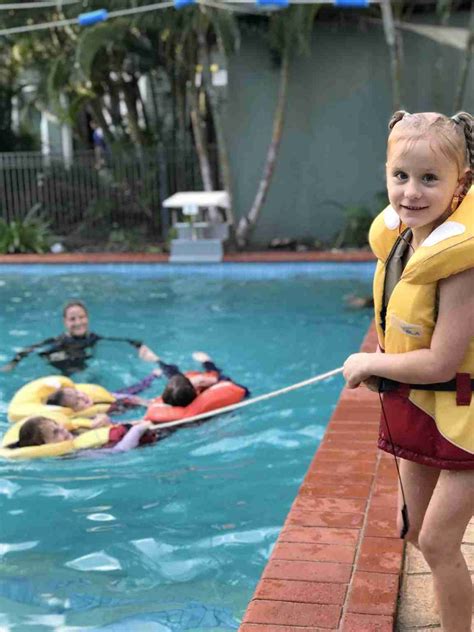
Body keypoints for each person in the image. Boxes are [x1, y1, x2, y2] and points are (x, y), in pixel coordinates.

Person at [343, 111, 473, 632]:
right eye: (401, 176)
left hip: (466, 411)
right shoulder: (403, 241)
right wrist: (386, 369)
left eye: (429, 179)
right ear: (386, 173)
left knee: (440, 541)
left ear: (460, 184)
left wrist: (371, 362)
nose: (411, 192)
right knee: (417, 531)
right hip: (419, 402)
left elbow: (442, 360)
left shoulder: (461, 262)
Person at [1, 300, 155, 377]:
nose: (78, 323)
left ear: (87, 318)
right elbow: (29, 349)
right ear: (65, 322)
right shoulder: (58, 342)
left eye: (81, 317)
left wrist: (140, 346)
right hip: (61, 371)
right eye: (72, 319)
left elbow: (117, 341)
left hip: (82, 370)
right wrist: (13, 364)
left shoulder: (93, 339)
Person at [141, 349, 249, 407]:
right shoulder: (206, 385)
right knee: (214, 373)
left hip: (188, 384)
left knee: (172, 375)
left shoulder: (172, 400)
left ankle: (157, 360)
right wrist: (213, 380)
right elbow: (244, 391)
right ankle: (206, 360)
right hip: (200, 381)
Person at [6, 415, 156, 456]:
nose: (63, 429)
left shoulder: (78, 435)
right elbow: (118, 452)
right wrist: (137, 430)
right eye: (55, 432)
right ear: (45, 446)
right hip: (145, 441)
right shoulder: (78, 454)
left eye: (58, 425)